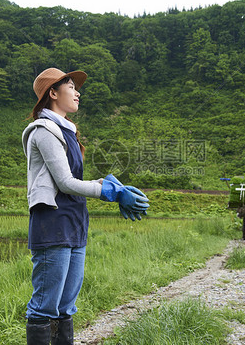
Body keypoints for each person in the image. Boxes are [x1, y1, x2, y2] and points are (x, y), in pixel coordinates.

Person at [21, 67, 149, 345]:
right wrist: (108, 192)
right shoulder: (44, 130)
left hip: (75, 222)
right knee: (44, 305)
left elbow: (74, 181)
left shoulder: (69, 132)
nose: (78, 92)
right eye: (70, 86)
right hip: (52, 224)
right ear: (52, 93)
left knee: (66, 305)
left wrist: (111, 184)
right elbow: (65, 182)